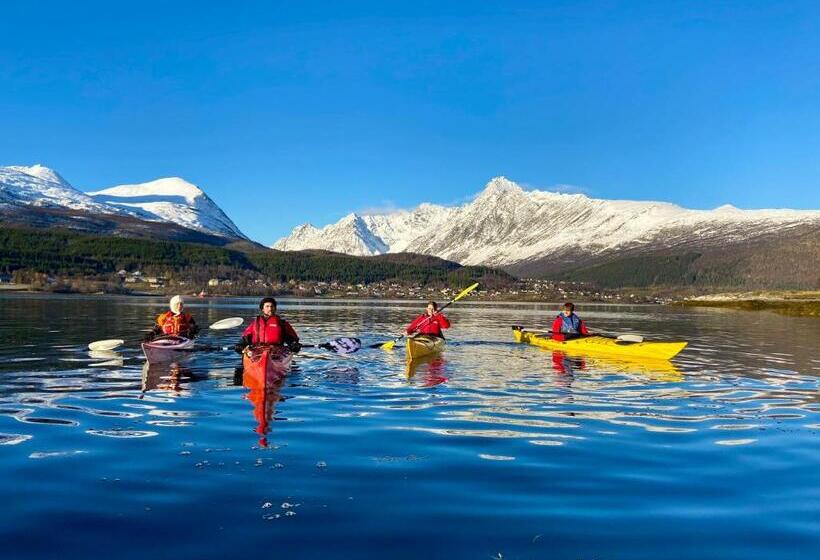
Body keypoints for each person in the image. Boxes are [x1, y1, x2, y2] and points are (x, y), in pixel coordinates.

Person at [234, 297, 301, 353]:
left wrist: (294, 344)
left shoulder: (282, 323)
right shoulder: (255, 323)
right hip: (257, 351)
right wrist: (240, 345)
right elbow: (245, 338)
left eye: (272, 306)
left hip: (276, 352)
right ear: (262, 309)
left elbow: (291, 339)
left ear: (275, 308)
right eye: (267, 306)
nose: (270, 309)